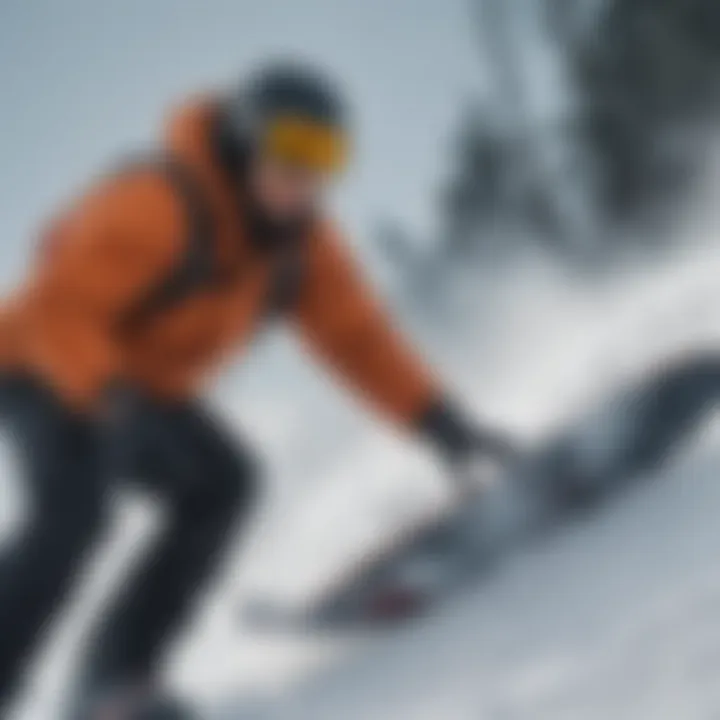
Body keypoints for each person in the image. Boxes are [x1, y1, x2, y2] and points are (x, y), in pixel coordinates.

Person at [0, 61, 510, 719]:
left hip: (140, 389)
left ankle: (115, 682)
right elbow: (61, 305)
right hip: (43, 363)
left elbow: (356, 338)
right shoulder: (157, 203)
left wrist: (439, 422)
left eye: (328, 156)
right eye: (293, 150)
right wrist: (104, 395)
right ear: (246, 143)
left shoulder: (301, 248)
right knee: (75, 510)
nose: (308, 176)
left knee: (224, 483)